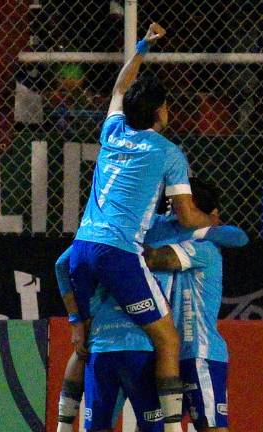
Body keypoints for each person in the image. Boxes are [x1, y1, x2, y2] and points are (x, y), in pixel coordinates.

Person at [65, 22, 220, 432]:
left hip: (81, 248)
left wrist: (143, 47)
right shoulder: (169, 152)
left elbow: (119, 87)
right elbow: (186, 216)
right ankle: (171, 429)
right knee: (167, 339)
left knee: (87, 341)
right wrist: (214, 221)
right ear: (159, 112)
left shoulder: (112, 130)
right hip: (118, 252)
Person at [56, 179, 246, 432]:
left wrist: (114, 246)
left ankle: (64, 424)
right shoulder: (153, 228)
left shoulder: (202, 245)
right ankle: (63, 424)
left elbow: (239, 236)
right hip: (158, 350)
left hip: (196, 351)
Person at [144, 178, 248, 432]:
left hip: (198, 353)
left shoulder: (204, 248)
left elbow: (156, 259)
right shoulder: (161, 228)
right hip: (165, 353)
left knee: (210, 427)